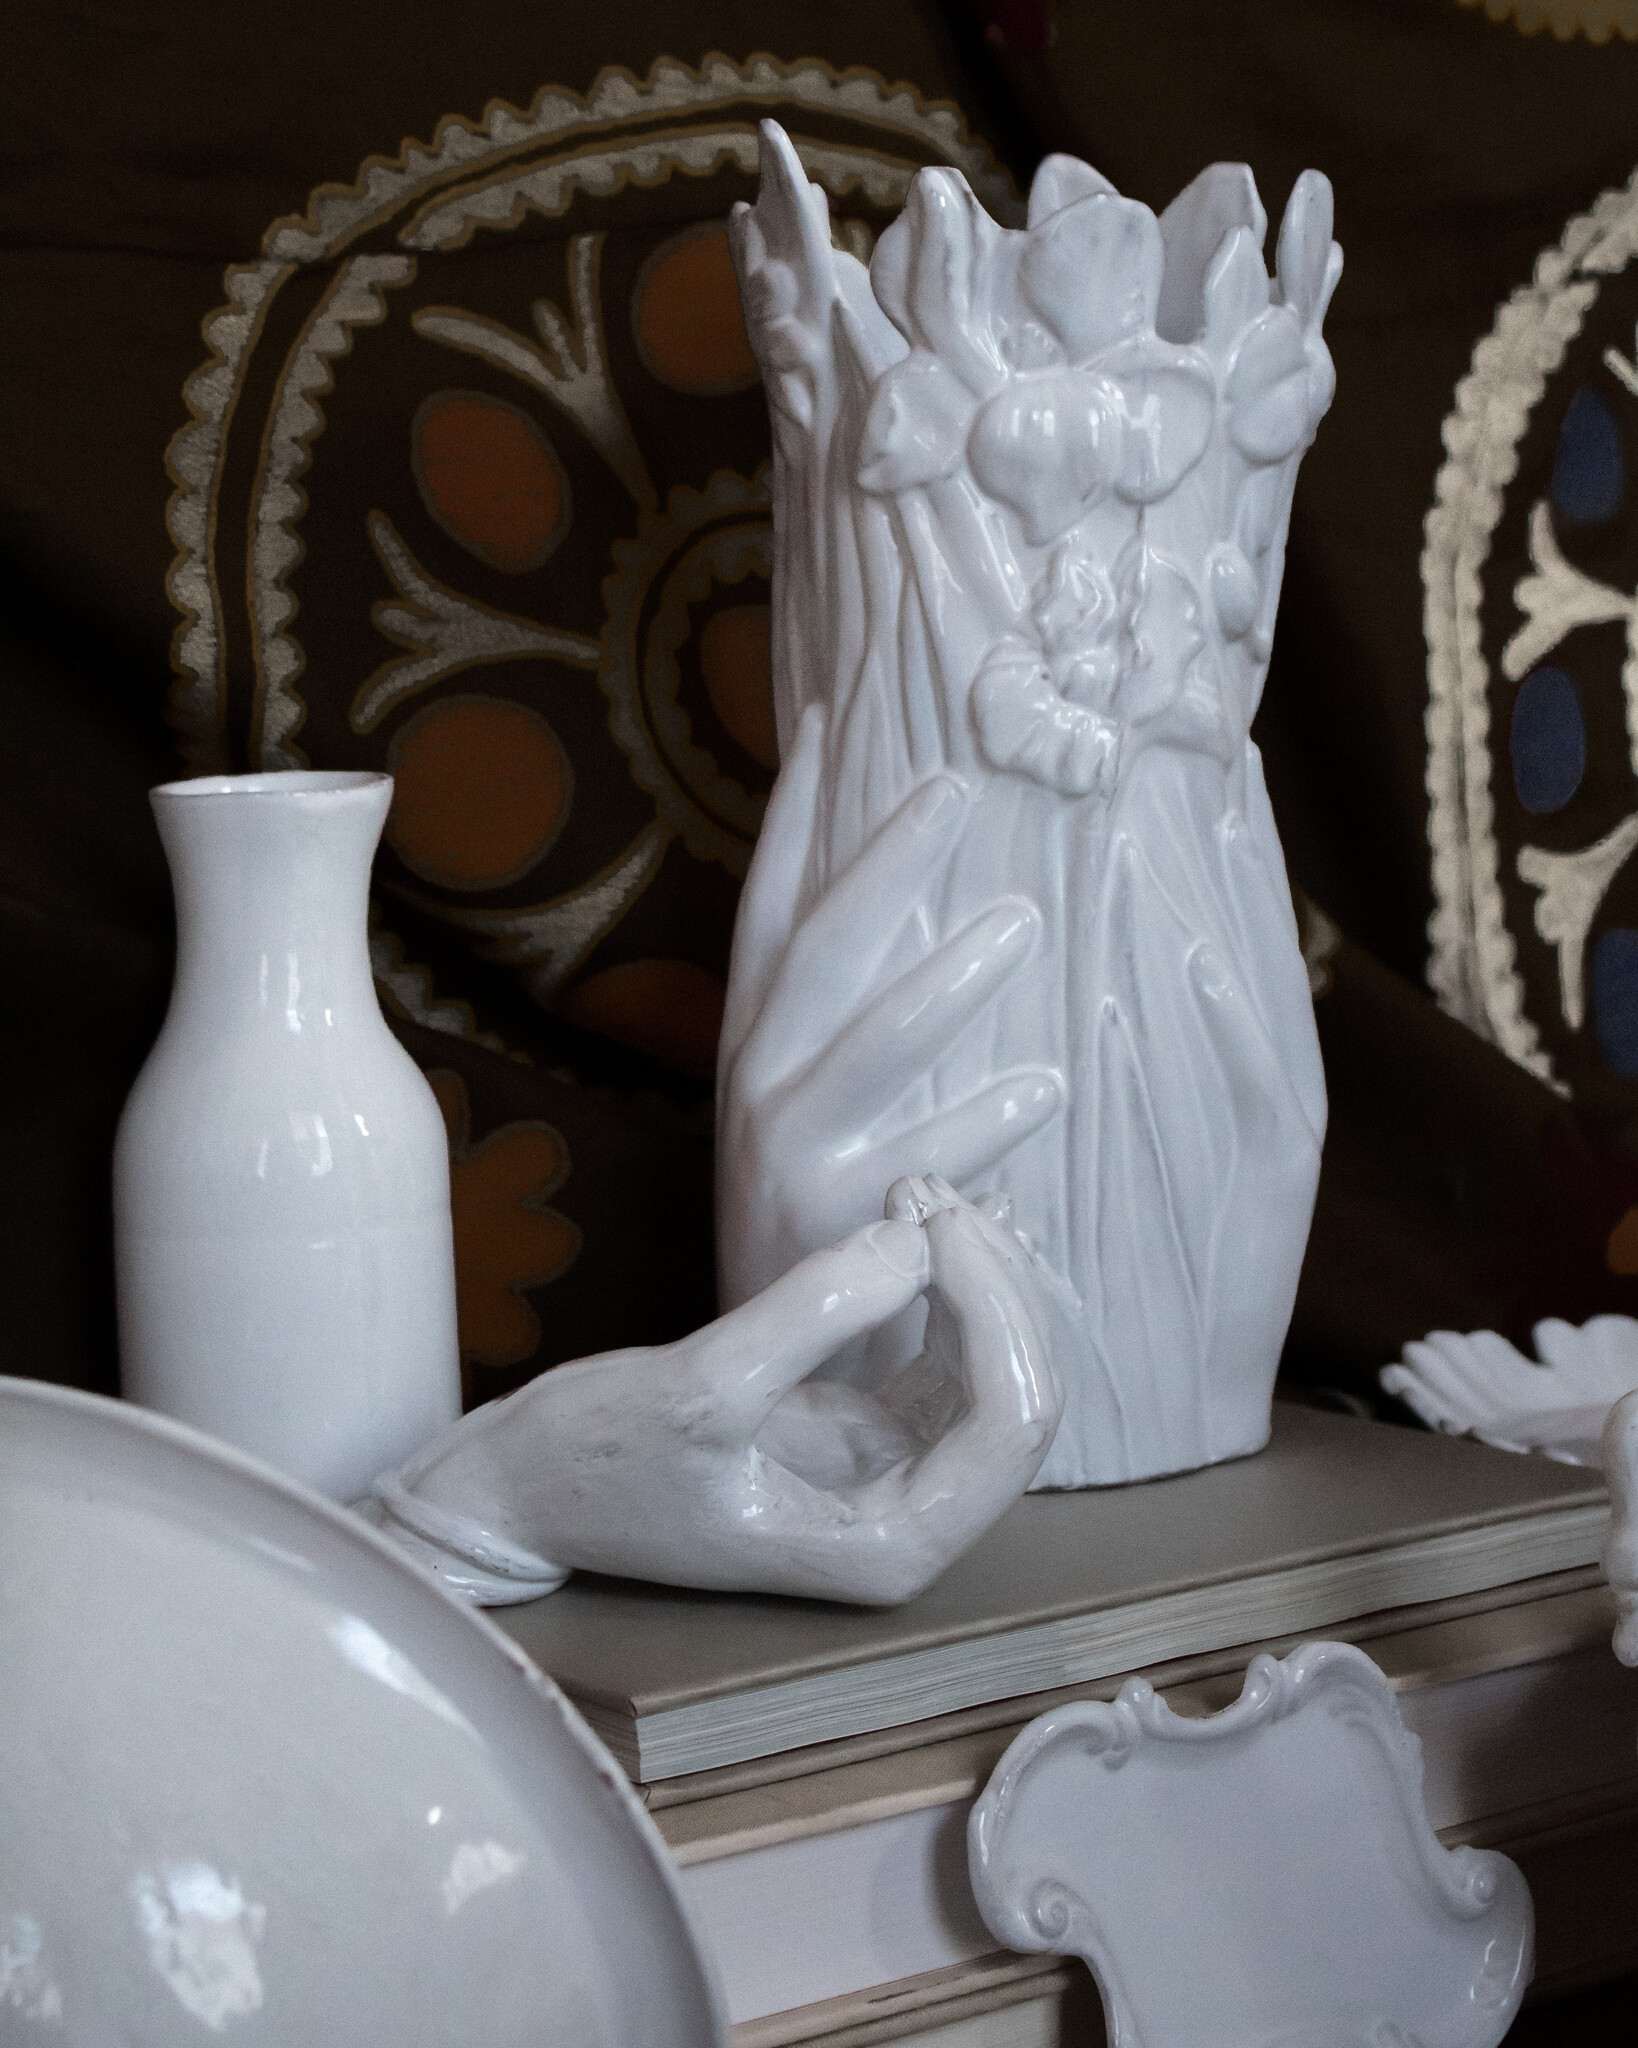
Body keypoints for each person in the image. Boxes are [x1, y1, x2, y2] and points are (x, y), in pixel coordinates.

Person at [9, 0, 1638, 1418]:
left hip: (1143, 923)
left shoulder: (1138, 532)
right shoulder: (949, 533)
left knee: (1180, 1084)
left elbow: (1159, 598)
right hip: (959, 935)